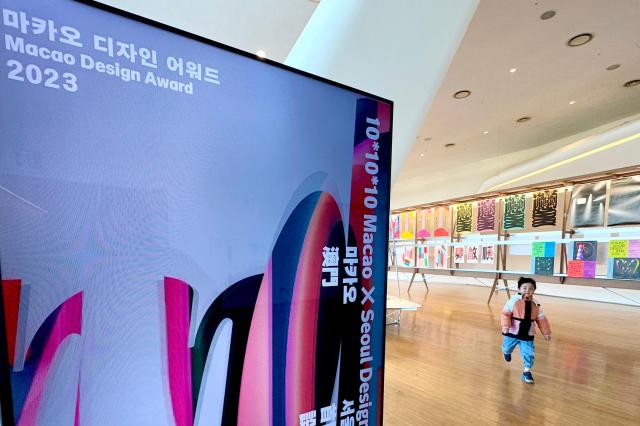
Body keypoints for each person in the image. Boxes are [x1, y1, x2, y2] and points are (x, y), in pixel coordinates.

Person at [501, 277, 551, 383]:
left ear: (534, 290)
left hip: (528, 333)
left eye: (531, 288)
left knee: (529, 353)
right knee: (506, 347)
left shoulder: (536, 304)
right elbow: (505, 314)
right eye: (524, 288)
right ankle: (506, 353)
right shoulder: (513, 301)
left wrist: (546, 332)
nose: (527, 290)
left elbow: (541, 319)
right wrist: (506, 326)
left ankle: (527, 371)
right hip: (512, 332)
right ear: (519, 288)